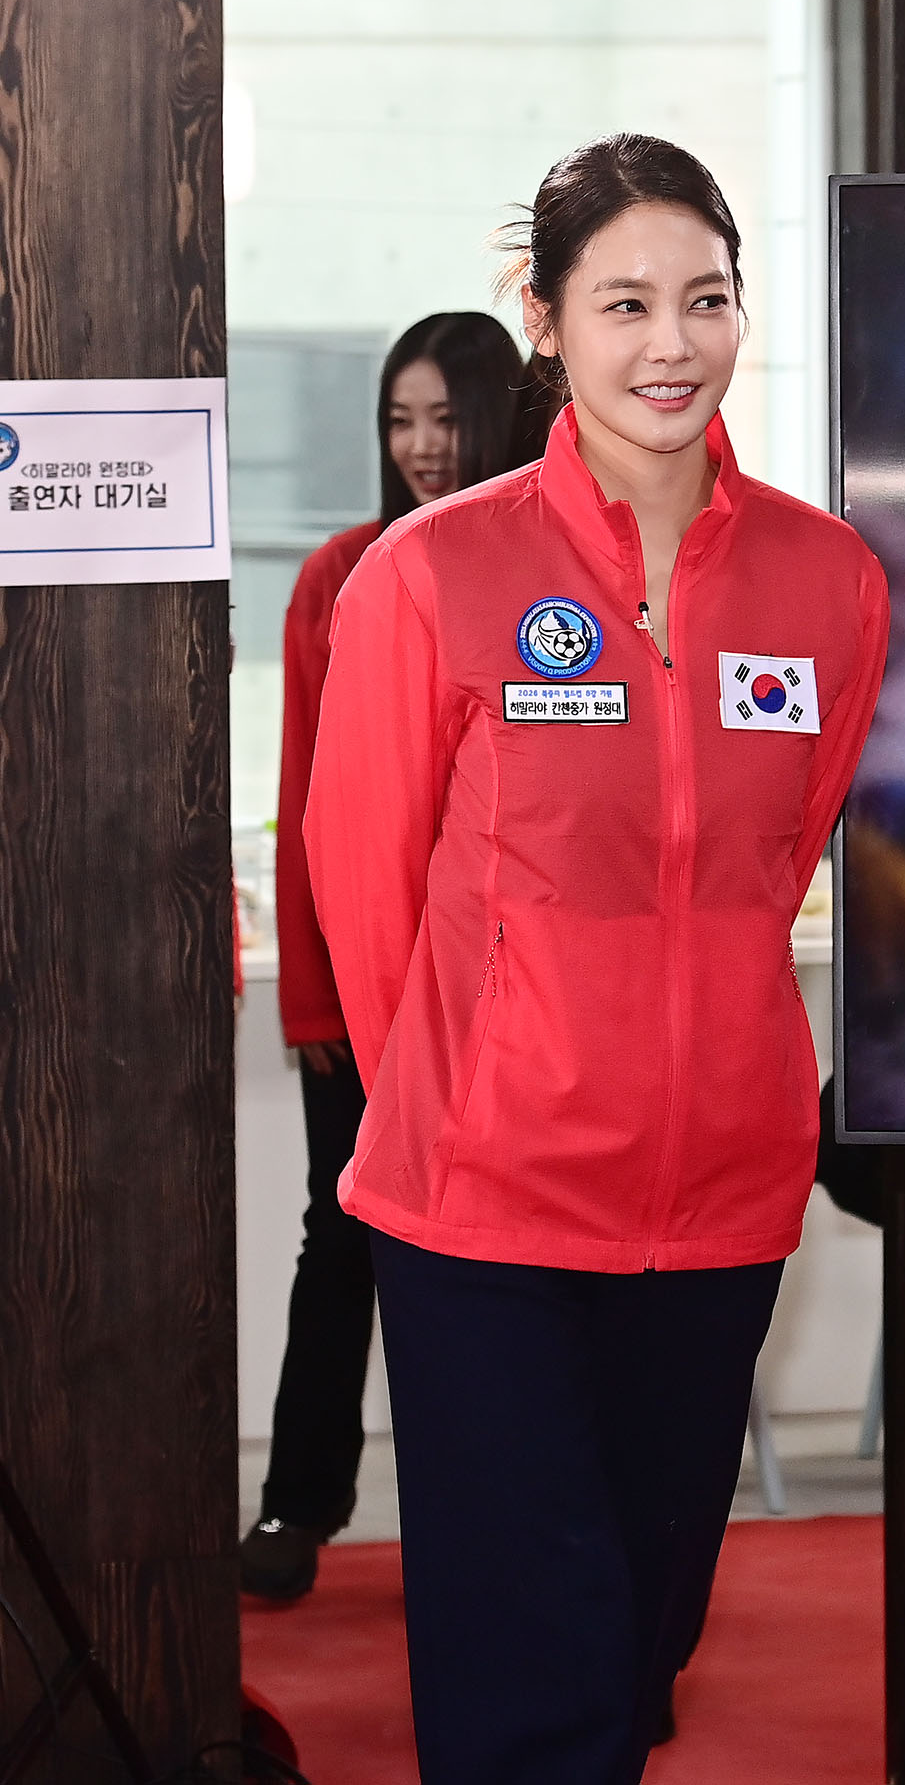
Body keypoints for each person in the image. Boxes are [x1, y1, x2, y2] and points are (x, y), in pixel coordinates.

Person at [304, 133, 888, 1782]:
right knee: (529, 1661)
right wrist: (475, 1088)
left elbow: (778, 856)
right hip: (485, 1203)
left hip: (722, 1196)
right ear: (547, 321)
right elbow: (364, 886)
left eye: (707, 297)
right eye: (624, 302)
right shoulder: (431, 574)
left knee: (640, 1636)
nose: (672, 342)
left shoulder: (830, 583)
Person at [239, 312, 527, 1600]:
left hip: (504, 996)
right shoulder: (339, 574)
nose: (421, 446)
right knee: (342, 1236)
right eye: (399, 421)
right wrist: (314, 997)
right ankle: (298, 1505)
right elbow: (309, 805)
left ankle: (487, 1532)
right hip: (363, 999)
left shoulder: (544, 573)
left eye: (446, 418)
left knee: (495, 1267)